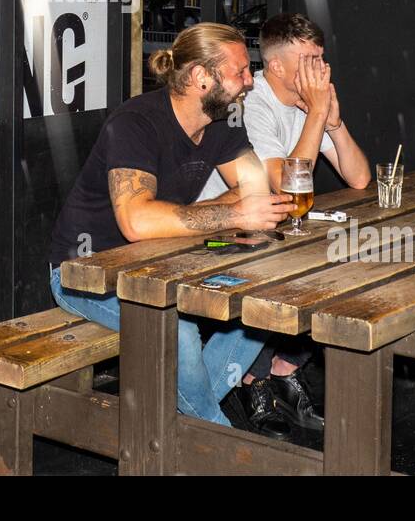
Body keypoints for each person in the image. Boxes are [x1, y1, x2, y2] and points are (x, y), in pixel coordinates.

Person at [47, 23, 292, 429]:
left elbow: (255, 188)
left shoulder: (224, 120)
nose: (250, 81)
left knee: (264, 304)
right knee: (175, 329)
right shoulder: (136, 123)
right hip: (83, 275)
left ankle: (182, 429)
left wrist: (218, 211)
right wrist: (231, 214)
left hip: (161, 260)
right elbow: (136, 221)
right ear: (201, 77)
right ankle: (219, 444)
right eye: (240, 71)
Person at [197, 14, 372, 437]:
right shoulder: (250, 106)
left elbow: (360, 178)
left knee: (351, 268)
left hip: (267, 226)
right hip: (213, 236)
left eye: (321, 59)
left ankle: (282, 369)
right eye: (309, 60)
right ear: (276, 66)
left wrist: (333, 122)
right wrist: (315, 114)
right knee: (288, 271)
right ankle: (251, 381)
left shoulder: (304, 105)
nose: (320, 70)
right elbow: (288, 188)